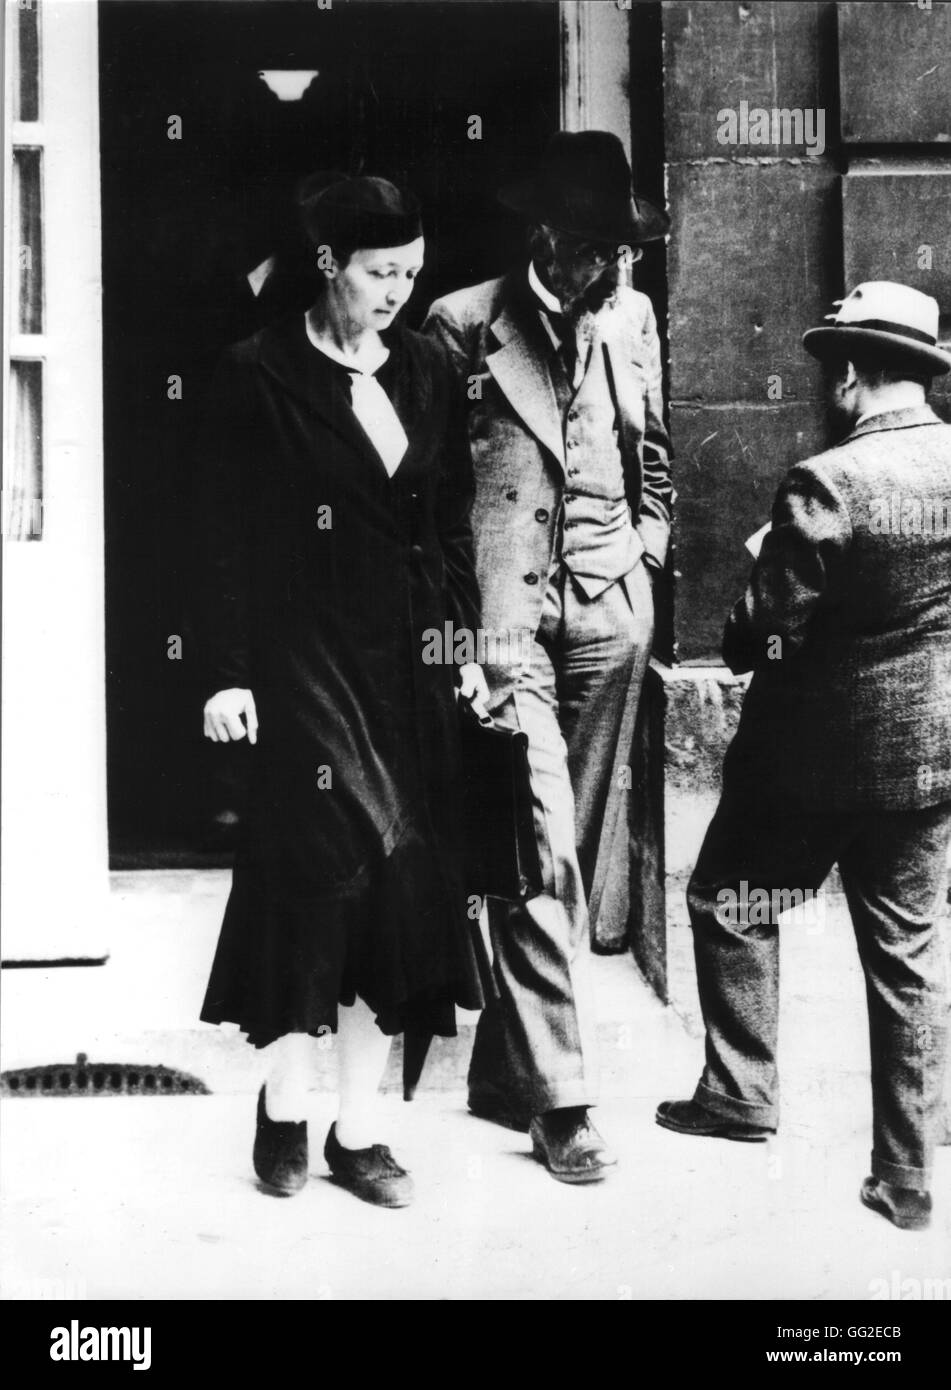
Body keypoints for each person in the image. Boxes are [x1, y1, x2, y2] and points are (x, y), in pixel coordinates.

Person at [193, 174, 489, 1207]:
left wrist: (465, 640)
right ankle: (285, 1101)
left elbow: (449, 522)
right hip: (299, 653)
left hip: (408, 661)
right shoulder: (254, 372)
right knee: (319, 876)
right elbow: (216, 536)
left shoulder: (426, 369)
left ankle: (358, 1131)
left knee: (403, 886)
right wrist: (225, 671)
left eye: (412, 272)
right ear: (330, 265)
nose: (399, 291)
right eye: (378, 272)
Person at [656, 282, 951, 1232]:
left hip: (809, 766)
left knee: (731, 903)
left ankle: (740, 1093)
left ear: (856, 375)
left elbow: (758, 638)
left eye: (835, 371)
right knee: (907, 957)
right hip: (929, 758)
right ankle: (904, 1176)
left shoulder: (825, 482)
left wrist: (754, 581)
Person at [424, 131, 673, 1183]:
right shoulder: (461, 325)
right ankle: (563, 1098)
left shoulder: (632, 313)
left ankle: (500, 1068)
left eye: (622, 250)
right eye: (594, 249)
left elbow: (652, 453)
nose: (613, 266)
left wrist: (644, 566)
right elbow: (428, 498)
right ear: (548, 241)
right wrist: (458, 640)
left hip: (609, 612)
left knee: (568, 848)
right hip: (504, 626)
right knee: (540, 846)